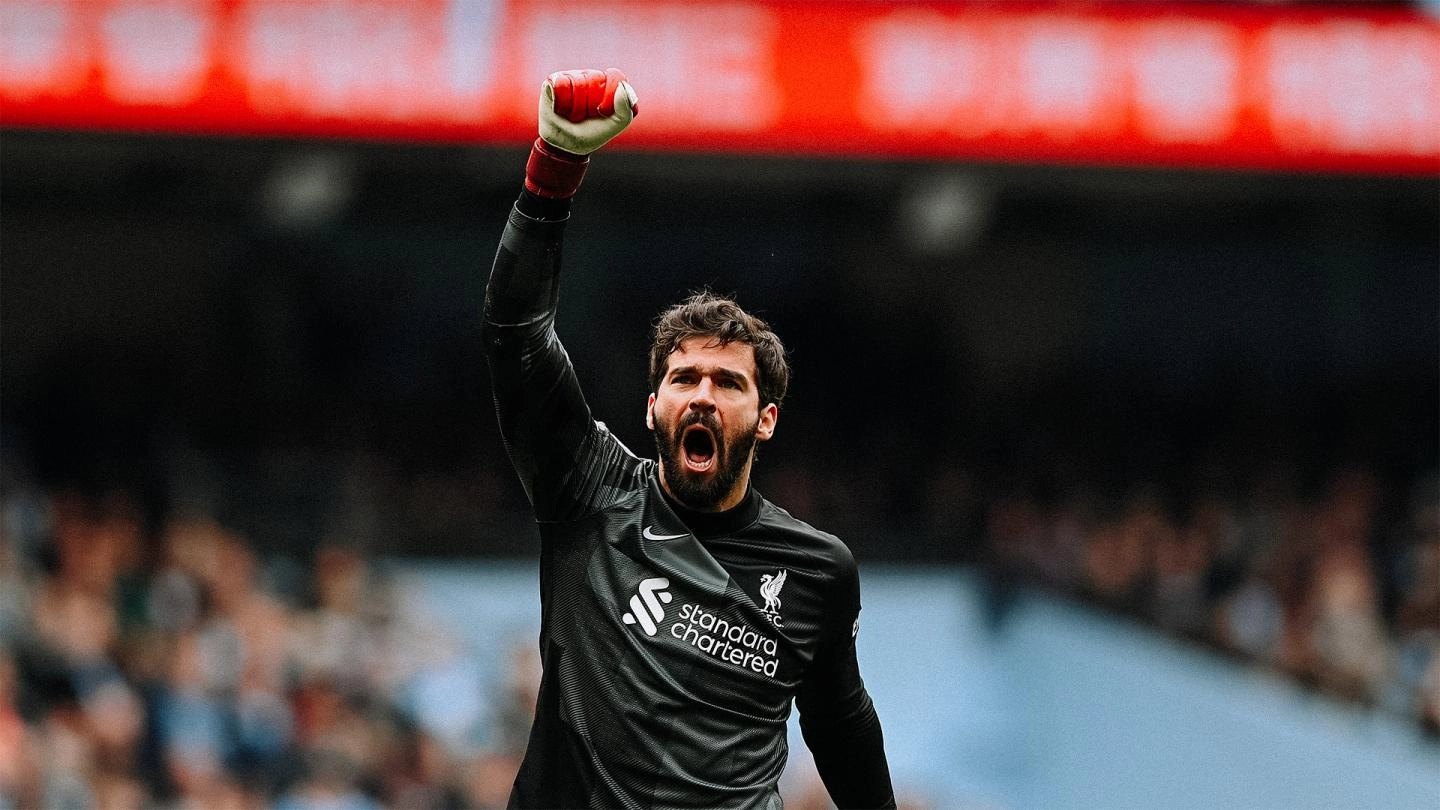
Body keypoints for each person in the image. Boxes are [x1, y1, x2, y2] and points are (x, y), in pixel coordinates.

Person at [482, 68, 894, 810]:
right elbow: (516, 333)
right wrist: (553, 170)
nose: (703, 394)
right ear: (652, 408)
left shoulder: (818, 569)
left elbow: (840, 725)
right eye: (685, 379)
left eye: (728, 383)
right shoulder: (589, 490)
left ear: (765, 419)